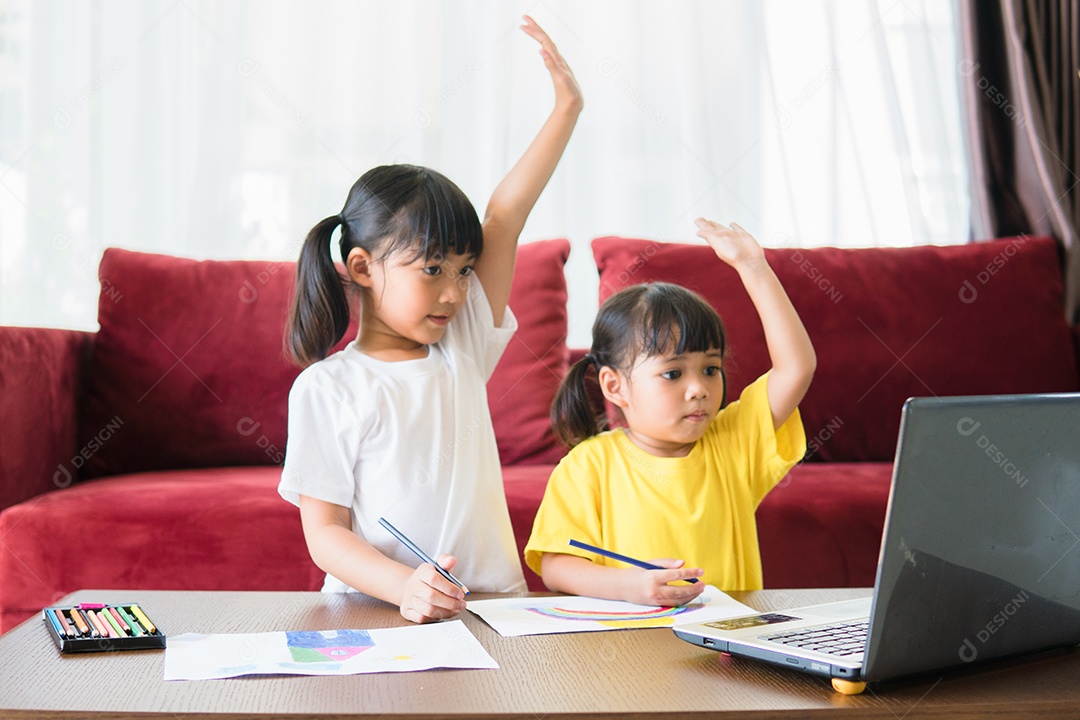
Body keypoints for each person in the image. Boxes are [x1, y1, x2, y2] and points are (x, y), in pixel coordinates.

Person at [278, 16, 582, 624]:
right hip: (377, 609)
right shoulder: (327, 388)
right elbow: (326, 534)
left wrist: (566, 109)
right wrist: (404, 587)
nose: (454, 292)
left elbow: (504, 216)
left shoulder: (461, 345)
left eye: (464, 270)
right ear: (362, 267)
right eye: (433, 269)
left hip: (490, 605)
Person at [524, 219, 815, 607]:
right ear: (615, 386)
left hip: (726, 636)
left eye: (710, 368)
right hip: (633, 638)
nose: (699, 389)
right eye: (673, 374)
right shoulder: (587, 466)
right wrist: (629, 586)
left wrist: (754, 267)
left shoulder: (734, 441)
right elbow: (556, 565)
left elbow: (796, 368)